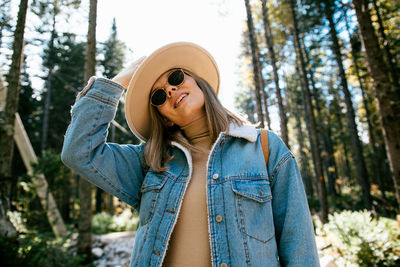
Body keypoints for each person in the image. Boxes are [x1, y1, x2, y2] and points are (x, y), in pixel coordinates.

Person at [61, 42, 320, 267]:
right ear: (164, 118)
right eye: (159, 96)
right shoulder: (150, 162)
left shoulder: (263, 147)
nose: (171, 90)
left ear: (196, 80)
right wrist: (120, 81)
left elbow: (300, 248)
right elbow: (79, 151)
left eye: (175, 78)